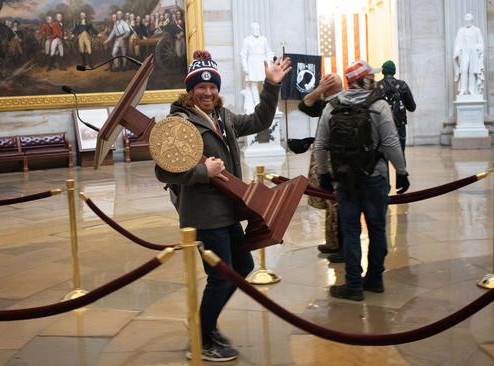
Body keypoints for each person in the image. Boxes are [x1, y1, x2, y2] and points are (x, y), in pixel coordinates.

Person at [155, 50, 291, 362]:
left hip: (228, 209)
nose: (208, 92)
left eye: (212, 86)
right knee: (221, 275)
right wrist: (204, 171)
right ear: (191, 90)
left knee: (242, 267)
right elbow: (163, 171)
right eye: (201, 87)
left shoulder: (223, 116)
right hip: (203, 214)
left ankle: (206, 324)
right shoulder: (178, 123)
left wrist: (271, 86)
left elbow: (260, 120)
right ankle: (201, 339)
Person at [313, 60, 409, 301]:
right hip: (375, 177)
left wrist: (324, 174)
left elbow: (321, 145)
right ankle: (375, 279)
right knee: (377, 229)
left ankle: (353, 284)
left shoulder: (331, 106)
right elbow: (390, 143)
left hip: (345, 179)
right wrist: (402, 171)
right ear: (366, 80)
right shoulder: (379, 106)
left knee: (351, 230)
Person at [297, 74, 344, 260]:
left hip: (335, 160)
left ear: (328, 88)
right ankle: (333, 242)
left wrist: (320, 90)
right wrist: (319, 91)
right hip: (327, 158)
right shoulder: (326, 103)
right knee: (330, 202)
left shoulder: (338, 102)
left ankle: (342, 247)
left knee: (336, 203)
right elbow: (304, 104)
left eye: (323, 84)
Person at [376, 60, 416, 153]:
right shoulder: (403, 85)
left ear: (383, 71)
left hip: (383, 126)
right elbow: (412, 107)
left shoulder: (377, 86)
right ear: (394, 71)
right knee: (401, 158)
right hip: (399, 125)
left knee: (382, 158)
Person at [240, 22, 275, 113]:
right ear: (251, 30)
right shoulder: (247, 40)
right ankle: (257, 103)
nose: (257, 31)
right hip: (252, 62)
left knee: (265, 82)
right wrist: (245, 67)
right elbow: (243, 54)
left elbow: (268, 51)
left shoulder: (264, 39)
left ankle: (265, 101)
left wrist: (269, 61)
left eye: (258, 29)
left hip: (262, 61)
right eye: (255, 29)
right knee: (253, 83)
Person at [453, 13, 484, 96]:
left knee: (472, 71)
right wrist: (457, 52)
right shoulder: (461, 30)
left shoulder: (477, 30)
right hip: (464, 53)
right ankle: (463, 90)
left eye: (469, 20)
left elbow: (480, 42)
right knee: (463, 71)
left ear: (472, 20)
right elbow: (457, 43)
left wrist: (478, 49)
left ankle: (472, 90)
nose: (467, 21)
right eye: (466, 20)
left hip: (473, 52)